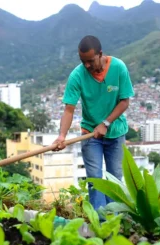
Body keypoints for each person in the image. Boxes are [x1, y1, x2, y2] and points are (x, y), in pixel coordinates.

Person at [52, 35, 135, 213]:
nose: (87, 66)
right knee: (95, 180)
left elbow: (124, 101)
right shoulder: (77, 75)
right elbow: (69, 109)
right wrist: (61, 136)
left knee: (114, 180)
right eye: (83, 62)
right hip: (90, 134)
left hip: (116, 132)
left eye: (90, 61)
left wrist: (105, 123)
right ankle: (99, 222)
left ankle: (114, 220)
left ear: (100, 54)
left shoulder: (119, 68)